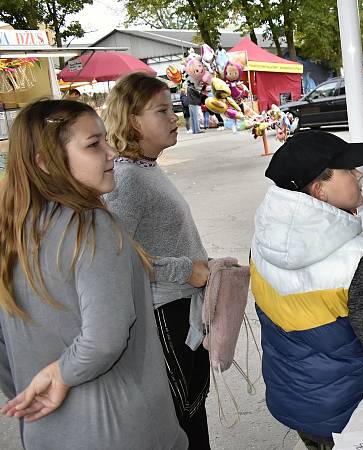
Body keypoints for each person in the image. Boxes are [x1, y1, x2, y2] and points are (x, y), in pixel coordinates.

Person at [0, 99, 187, 449]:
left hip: (46, 429)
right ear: (45, 163)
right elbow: (104, 338)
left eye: (105, 140)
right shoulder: (91, 225)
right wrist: (61, 373)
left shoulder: (12, 232)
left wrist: (32, 389)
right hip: (122, 429)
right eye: (93, 145)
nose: (111, 153)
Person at [251, 130, 363, 450]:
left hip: (289, 396)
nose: (361, 176)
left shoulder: (262, 237)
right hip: (346, 408)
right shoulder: (355, 260)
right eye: (348, 170)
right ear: (320, 189)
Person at [102, 72, 211, 449]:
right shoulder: (126, 179)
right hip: (164, 314)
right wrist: (186, 269)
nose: (174, 117)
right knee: (183, 420)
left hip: (183, 306)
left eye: (173, 108)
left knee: (194, 410)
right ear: (133, 120)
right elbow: (116, 256)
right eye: (161, 111)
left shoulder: (145, 168)